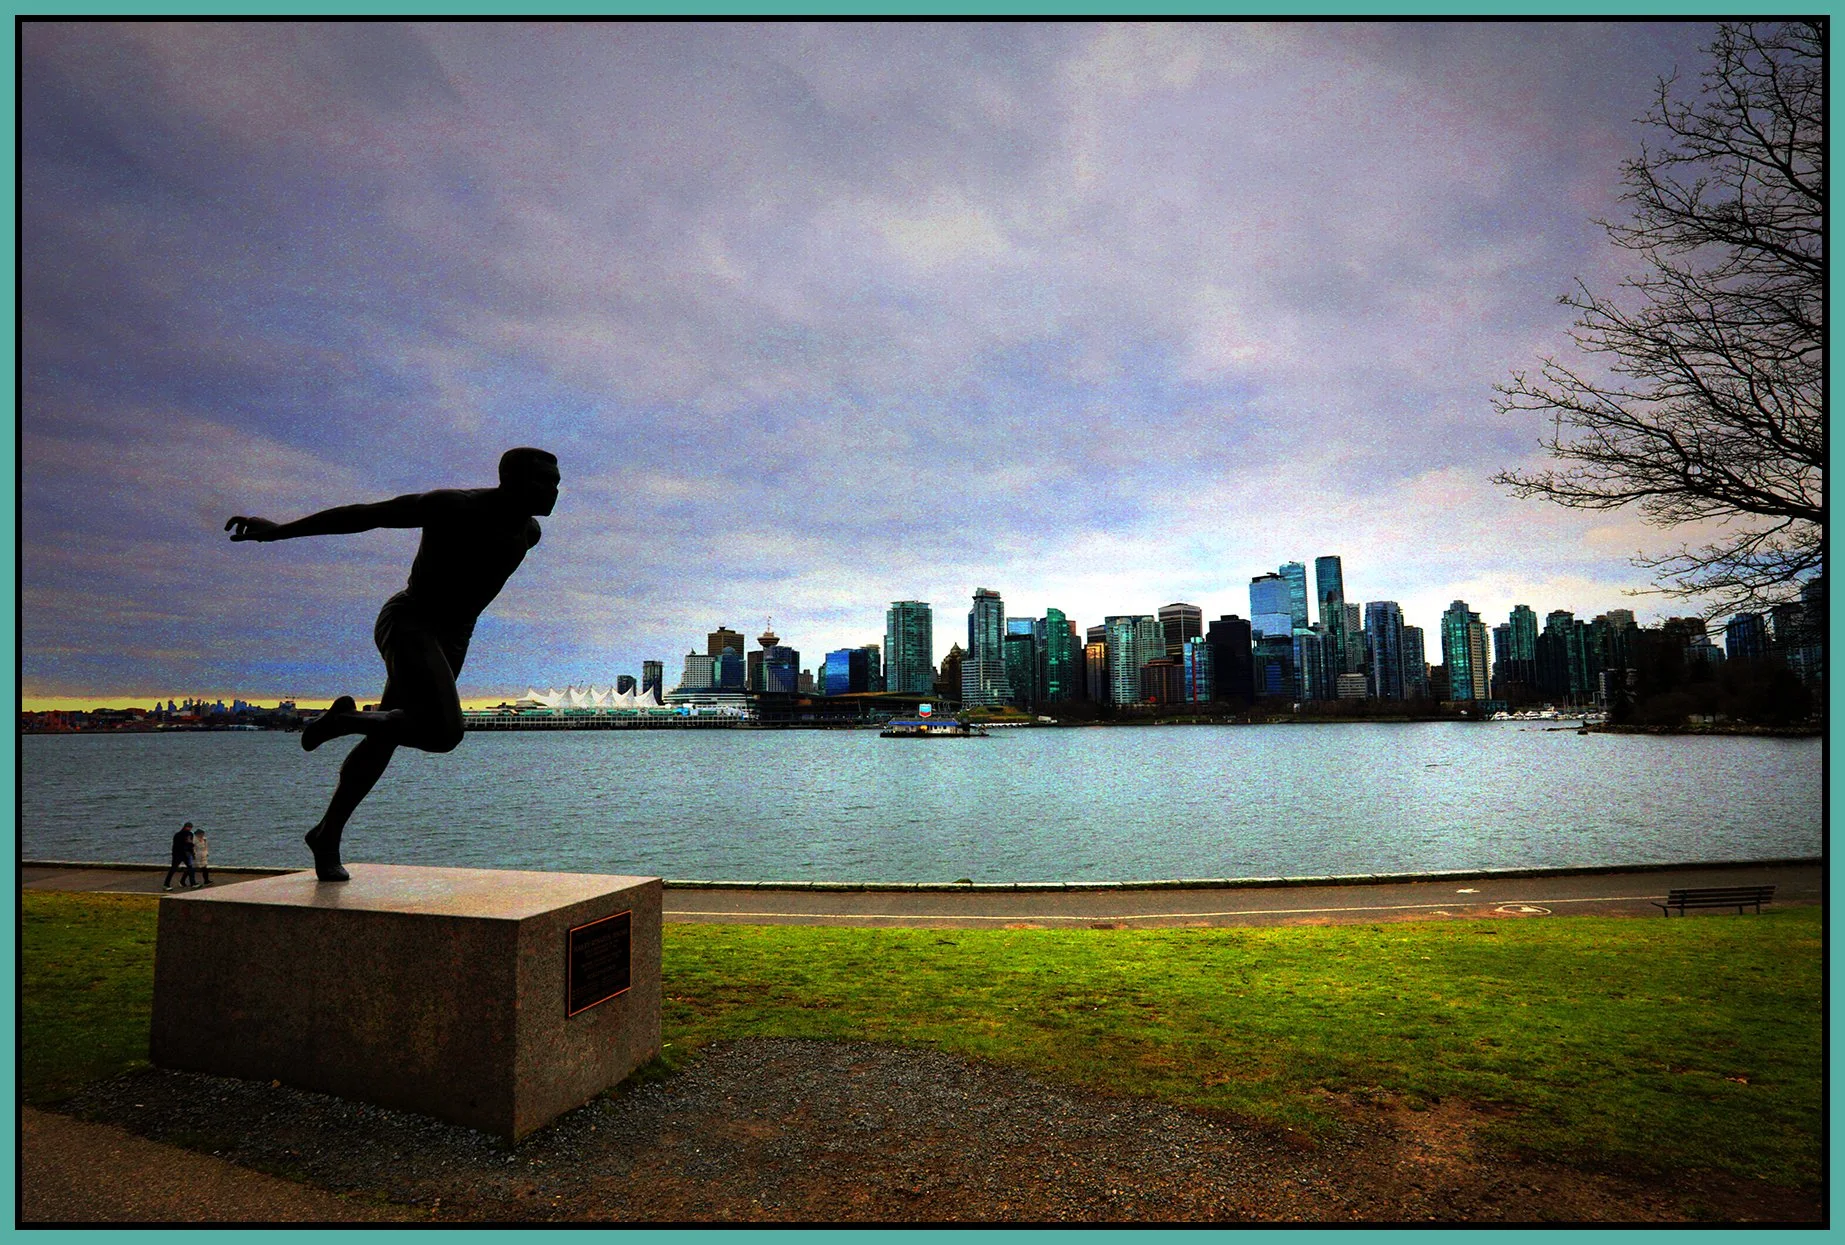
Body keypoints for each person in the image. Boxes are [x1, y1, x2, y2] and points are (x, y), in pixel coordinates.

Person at [226, 447, 559, 882]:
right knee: (444, 732)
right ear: (510, 480)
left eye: (556, 483)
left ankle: (326, 835)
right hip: (411, 620)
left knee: (387, 735)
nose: (553, 491)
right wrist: (279, 531)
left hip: (455, 637)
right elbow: (365, 515)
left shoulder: (530, 532)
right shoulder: (453, 506)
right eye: (543, 481)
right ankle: (345, 720)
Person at [162, 822, 196, 891]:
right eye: (188, 827)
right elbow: (177, 846)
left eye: (190, 827)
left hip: (186, 854)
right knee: (173, 869)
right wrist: (188, 843)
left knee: (190, 868)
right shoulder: (178, 835)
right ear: (185, 827)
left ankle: (193, 883)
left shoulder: (190, 834)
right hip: (178, 854)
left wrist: (192, 853)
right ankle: (166, 884)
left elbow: (190, 845)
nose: (189, 829)